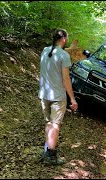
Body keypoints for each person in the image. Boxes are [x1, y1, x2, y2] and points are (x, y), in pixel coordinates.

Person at [38, 29, 78, 165]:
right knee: (55, 125)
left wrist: (71, 48)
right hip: (58, 96)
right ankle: (50, 155)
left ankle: (47, 150)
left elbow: (57, 55)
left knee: (49, 123)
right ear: (64, 40)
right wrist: (72, 99)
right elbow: (66, 79)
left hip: (44, 95)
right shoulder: (64, 55)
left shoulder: (45, 50)